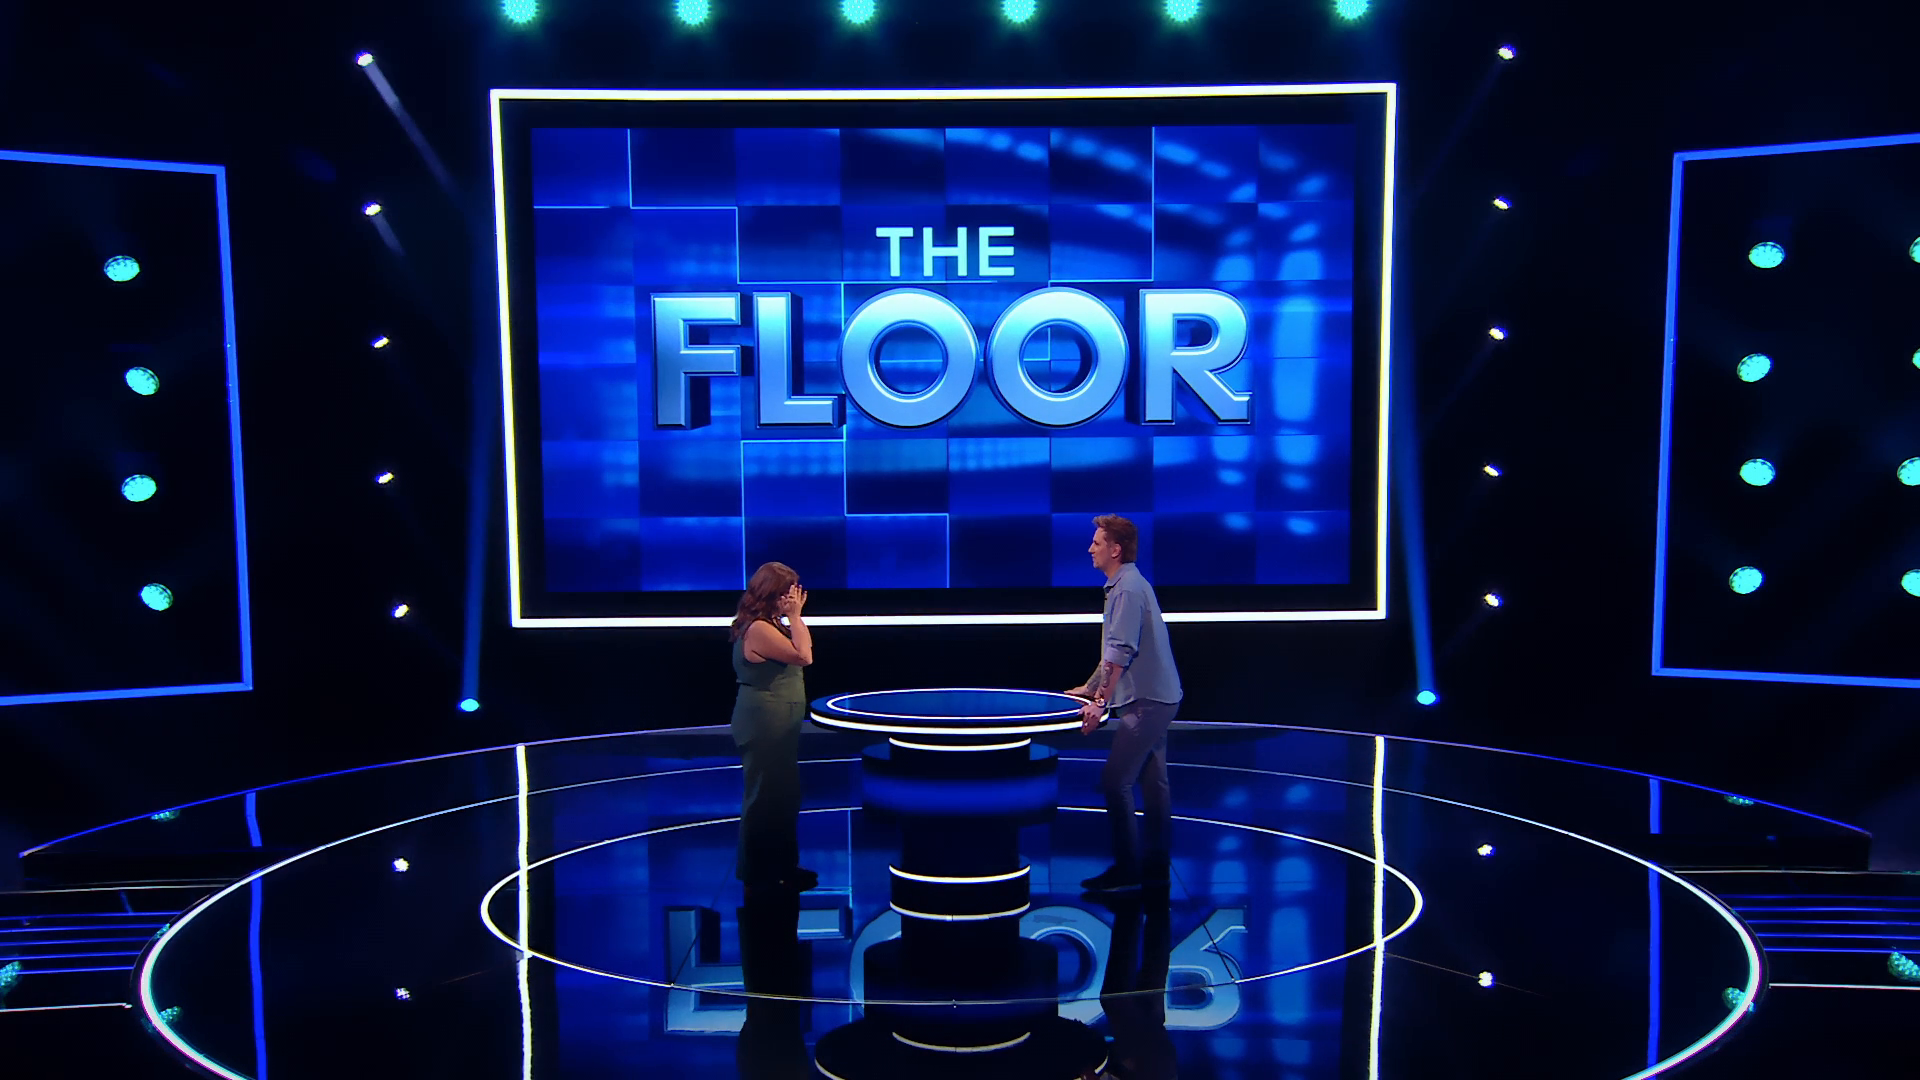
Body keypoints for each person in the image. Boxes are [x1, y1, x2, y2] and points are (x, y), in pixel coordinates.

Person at [1067, 515, 1183, 893]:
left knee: (1115, 781)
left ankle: (1129, 870)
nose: (1090, 548)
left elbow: (1120, 653)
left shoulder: (1128, 589)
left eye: (1097, 543)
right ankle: (1156, 867)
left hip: (1148, 702)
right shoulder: (1125, 584)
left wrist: (1099, 703)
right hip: (1156, 697)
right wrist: (1089, 687)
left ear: (1115, 550)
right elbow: (1112, 654)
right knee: (1154, 784)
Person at [730, 561, 818, 893]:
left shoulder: (771, 624)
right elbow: (804, 656)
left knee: (782, 796)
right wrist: (796, 617)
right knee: (765, 796)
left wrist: (793, 618)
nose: (793, 599)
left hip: (778, 721)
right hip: (764, 722)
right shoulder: (758, 629)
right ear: (772, 594)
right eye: (788, 594)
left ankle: (782, 866)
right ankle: (760, 871)